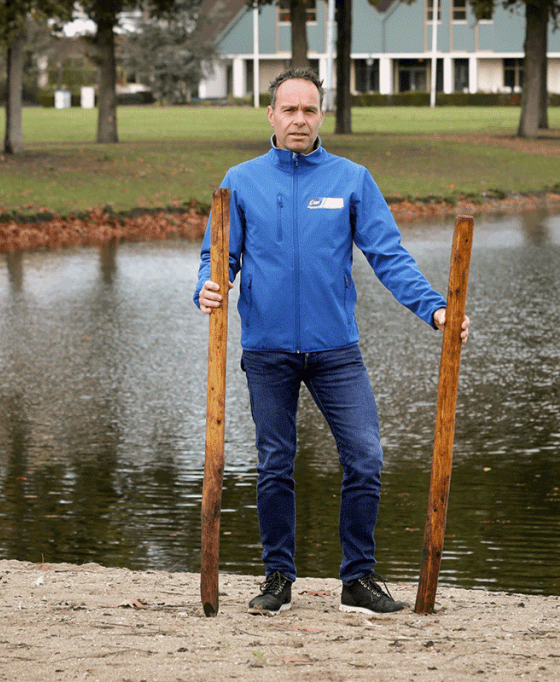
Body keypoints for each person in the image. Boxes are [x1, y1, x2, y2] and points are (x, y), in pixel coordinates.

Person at [194, 67, 469, 616]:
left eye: (309, 110)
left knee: (365, 457)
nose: (299, 119)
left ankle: (358, 579)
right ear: (271, 115)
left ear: (322, 115)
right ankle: (278, 577)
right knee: (274, 463)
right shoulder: (240, 180)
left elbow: (389, 257)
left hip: (336, 351)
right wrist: (208, 286)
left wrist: (436, 308)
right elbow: (218, 258)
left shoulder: (351, 178)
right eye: (289, 110)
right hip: (267, 350)